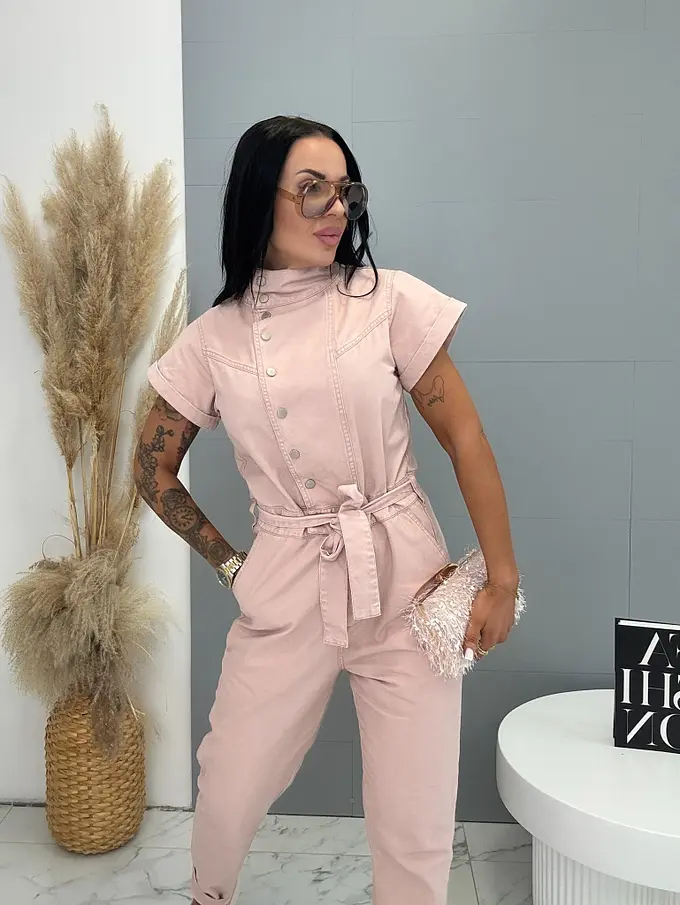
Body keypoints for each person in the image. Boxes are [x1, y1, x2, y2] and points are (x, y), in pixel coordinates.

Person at [135, 115, 519, 905]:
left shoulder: (387, 300)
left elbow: (466, 436)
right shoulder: (212, 340)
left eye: (345, 191)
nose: (335, 209)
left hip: (408, 578)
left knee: (415, 815)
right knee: (231, 781)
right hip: (286, 581)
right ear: (257, 198)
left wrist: (501, 576)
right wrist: (234, 565)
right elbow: (151, 469)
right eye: (311, 189)